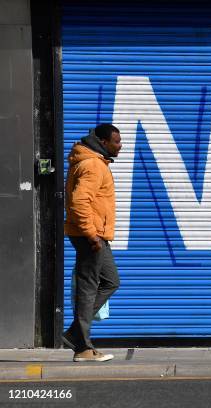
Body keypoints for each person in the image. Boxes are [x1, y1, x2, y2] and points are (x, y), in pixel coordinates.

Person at [62, 123, 122, 362]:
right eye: (116, 141)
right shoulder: (93, 165)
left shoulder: (93, 162)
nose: (121, 145)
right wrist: (90, 234)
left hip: (96, 234)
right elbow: (79, 202)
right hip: (91, 236)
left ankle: (75, 333)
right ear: (103, 142)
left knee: (111, 281)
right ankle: (83, 347)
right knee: (87, 289)